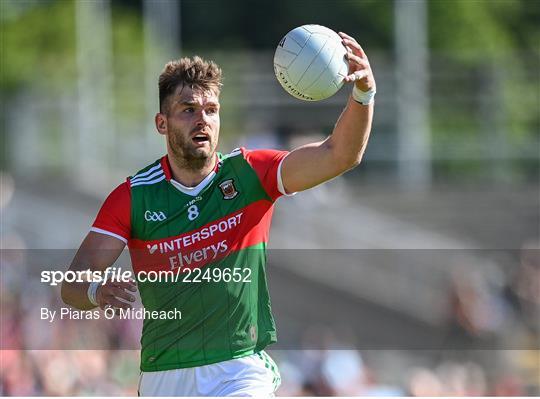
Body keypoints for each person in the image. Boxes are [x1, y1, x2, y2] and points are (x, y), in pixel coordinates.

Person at [61, 31, 376, 396]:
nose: (202, 120)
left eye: (211, 110)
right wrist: (97, 290)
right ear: (162, 123)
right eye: (188, 111)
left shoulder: (250, 174)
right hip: (165, 375)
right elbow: (72, 285)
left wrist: (363, 93)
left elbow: (339, 155)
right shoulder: (133, 197)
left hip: (240, 369)